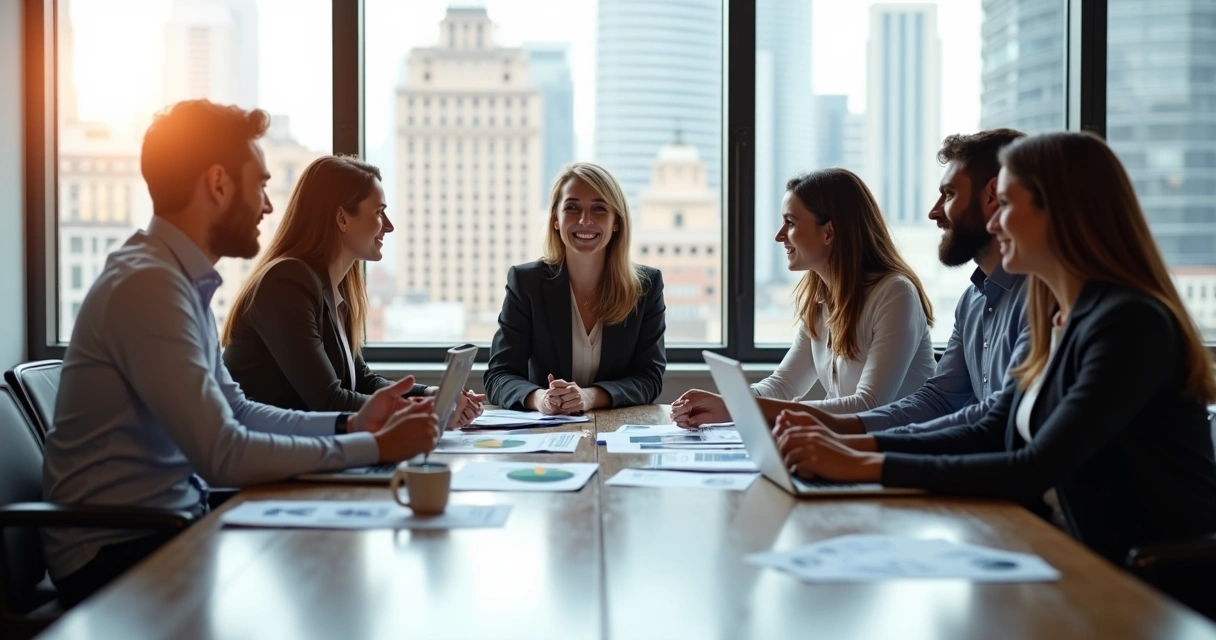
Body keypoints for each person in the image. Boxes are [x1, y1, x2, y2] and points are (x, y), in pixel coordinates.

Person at [42, 100, 442, 606]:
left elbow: (239, 411)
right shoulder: (149, 286)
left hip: (171, 523)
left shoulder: (177, 283)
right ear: (218, 183)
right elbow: (222, 453)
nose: (268, 207)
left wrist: (351, 428)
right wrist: (374, 446)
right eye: (260, 185)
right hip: (117, 548)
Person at [774, 131, 1216, 565]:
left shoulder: (1129, 324)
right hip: (1064, 544)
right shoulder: (1060, 317)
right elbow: (991, 427)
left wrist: (859, 464)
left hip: (1140, 576)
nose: (992, 222)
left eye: (1005, 205)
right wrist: (855, 449)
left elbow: (1033, 466)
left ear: (1060, 213)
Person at [750, 130, 1031, 436]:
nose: (934, 212)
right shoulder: (971, 302)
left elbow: (874, 404)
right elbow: (939, 402)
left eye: (948, 195)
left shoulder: (896, 293)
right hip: (924, 457)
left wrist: (868, 455)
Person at [220, 155, 483, 427]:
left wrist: (432, 395)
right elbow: (328, 400)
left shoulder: (335, 287)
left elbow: (361, 379)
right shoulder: (287, 281)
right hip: (271, 456)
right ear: (342, 219)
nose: (389, 226)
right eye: (379, 212)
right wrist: (429, 410)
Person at [671, 168, 935, 426]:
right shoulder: (820, 297)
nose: (779, 236)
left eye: (790, 223)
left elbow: (869, 405)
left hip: (901, 455)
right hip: (850, 448)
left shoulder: (895, 294)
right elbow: (784, 384)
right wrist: (728, 402)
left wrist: (739, 407)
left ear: (828, 232)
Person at [484, 162, 666, 414]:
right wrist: (541, 399)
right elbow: (498, 376)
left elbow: (649, 379)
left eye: (599, 208)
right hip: (546, 434)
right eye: (572, 207)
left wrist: (590, 397)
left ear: (617, 222)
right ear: (555, 220)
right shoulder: (526, 282)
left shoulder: (646, 286)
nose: (585, 220)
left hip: (616, 435)